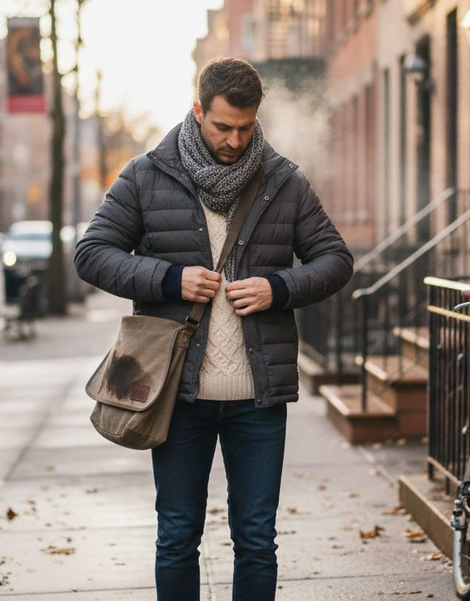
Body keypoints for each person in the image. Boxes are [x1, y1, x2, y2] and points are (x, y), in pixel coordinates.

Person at [74, 57, 353, 601]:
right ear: (197, 110)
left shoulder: (284, 181)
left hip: (258, 398)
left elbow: (336, 260)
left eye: (246, 127)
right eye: (223, 126)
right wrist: (170, 278)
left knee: (257, 540)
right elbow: (90, 254)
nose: (234, 139)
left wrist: (279, 287)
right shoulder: (146, 174)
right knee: (177, 537)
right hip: (176, 395)